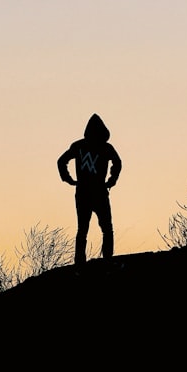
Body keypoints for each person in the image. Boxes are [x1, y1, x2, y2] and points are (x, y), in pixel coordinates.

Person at [57, 113, 122, 267]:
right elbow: (118, 163)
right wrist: (111, 180)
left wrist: (69, 179)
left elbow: (61, 161)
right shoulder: (106, 147)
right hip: (98, 191)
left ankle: (80, 264)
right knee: (107, 228)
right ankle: (107, 261)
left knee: (83, 229)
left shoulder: (78, 145)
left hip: (83, 192)